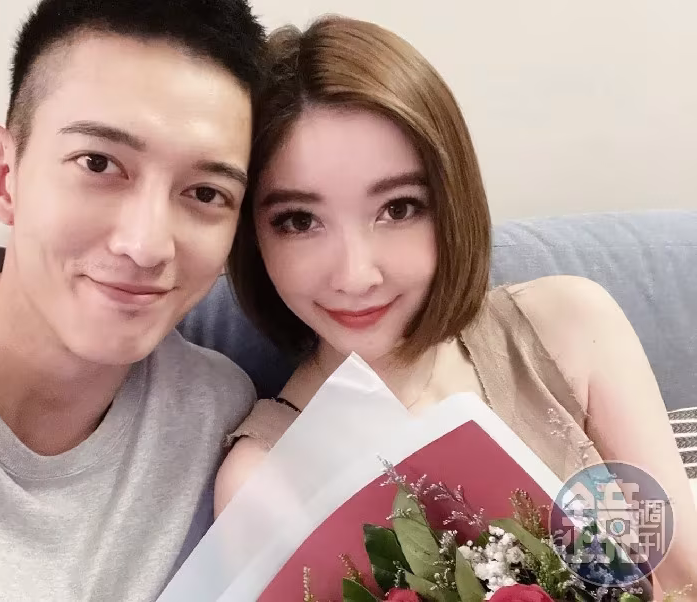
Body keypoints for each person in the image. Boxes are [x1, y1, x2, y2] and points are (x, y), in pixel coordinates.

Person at [214, 15, 697, 596]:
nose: (356, 275)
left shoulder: (569, 330)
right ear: (252, 237)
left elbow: (684, 573)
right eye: (298, 221)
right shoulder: (265, 481)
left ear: (450, 202)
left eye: (398, 208)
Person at [0, 0, 265, 600]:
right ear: (0, 175)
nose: (146, 245)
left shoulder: (217, 417)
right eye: (98, 163)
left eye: (205, 193)